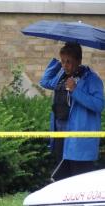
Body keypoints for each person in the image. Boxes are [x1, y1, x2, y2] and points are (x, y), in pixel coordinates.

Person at [40, 42, 104, 181]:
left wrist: (76, 90)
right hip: (60, 135)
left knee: (79, 180)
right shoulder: (62, 75)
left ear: (79, 61)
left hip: (79, 140)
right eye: (63, 61)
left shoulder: (92, 79)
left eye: (68, 61)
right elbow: (44, 82)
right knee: (61, 180)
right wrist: (57, 63)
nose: (65, 65)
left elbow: (99, 105)